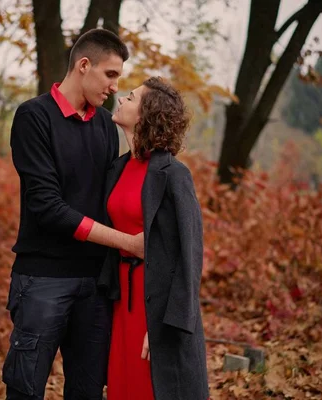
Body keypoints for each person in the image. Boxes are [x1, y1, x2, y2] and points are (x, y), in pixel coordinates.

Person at [3, 29, 144, 400]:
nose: (115, 87)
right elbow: (47, 208)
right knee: (25, 389)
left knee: (87, 392)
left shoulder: (103, 124)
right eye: (110, 75)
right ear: (84, 65)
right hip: (42, 280)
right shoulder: (33, 117)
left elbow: (110, 196)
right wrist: (128, 243)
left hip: (95, 285)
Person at [98, 77, 210, 400]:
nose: (121, 99)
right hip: (122, 304)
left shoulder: (175, 175)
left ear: (147, 113)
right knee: (123, 388)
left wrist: (165, 326)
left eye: (131, 98)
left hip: (157, 310)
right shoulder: (117, 169)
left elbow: (189, 257)